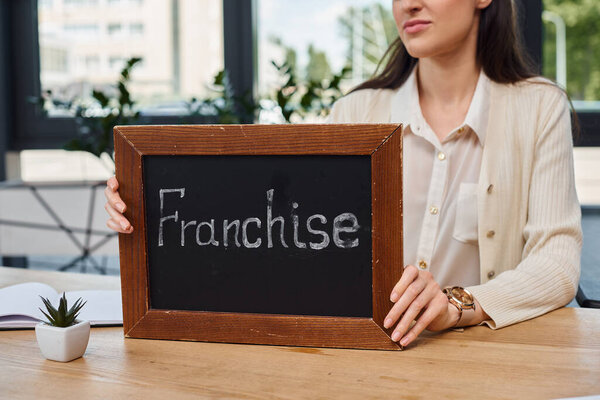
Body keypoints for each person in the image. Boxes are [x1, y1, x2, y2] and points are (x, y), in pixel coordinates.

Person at [105, 0, 582, 347]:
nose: (408, 5)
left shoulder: (537, 107)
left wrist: (458, 306)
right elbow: (288, 238)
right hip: (361, 359)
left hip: (485, 364)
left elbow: (558, 263)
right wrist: (151, 206)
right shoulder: (356, 111)